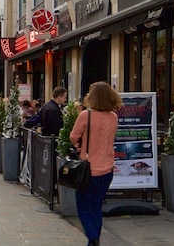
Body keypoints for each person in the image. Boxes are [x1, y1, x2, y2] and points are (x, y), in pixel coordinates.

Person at [70, 82, 122, 246]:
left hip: (89, 169)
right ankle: (94, 240)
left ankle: (93, 238)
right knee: (96, 206)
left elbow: (73, 136)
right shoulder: (113, 117)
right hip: (107, 169)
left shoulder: (86, 115)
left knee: (83, 206)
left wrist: (80, 145)